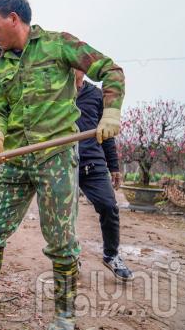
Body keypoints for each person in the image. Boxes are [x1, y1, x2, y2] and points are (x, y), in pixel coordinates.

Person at [0, 0, 125, 330]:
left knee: (61, 240)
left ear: (14, 19)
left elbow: (110, 70)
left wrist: (111, 112)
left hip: (55, 155)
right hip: (16, 157)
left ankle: (65, 315)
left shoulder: (58, 45)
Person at [75, 69, 133, 281]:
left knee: (109, 206)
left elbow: (107, 134)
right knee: (65, 214)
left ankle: (111, 255)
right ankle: (70, 258)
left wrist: (114, 167)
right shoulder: (57, 94)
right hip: (63, 162)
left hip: (92, 161)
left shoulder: (96, 95)